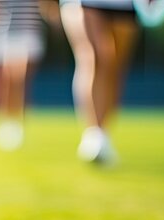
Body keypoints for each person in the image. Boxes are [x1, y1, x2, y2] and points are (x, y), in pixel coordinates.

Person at [0, 0, 59, 151]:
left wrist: (56, 20)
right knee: (7, 82)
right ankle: (7, 123)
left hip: (29, 35)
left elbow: (47, 6)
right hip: (3, 34)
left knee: (20, 80)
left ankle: (18, 124)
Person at [60, 0, 140, 164]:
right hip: (84, 3)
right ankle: (92, 133)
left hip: (123, 5)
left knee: (115, 69)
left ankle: (103, 135)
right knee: (94, 57)